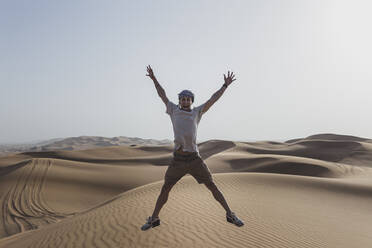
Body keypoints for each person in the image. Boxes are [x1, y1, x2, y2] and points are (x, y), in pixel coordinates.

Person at [141, 65, 244, 231]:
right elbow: (162, 94)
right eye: (183, 98)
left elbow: (212, 99)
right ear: (179, 100)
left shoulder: (197, 112)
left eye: (188, 99)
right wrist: (154, 79)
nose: (185, 101)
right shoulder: (173, 110)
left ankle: (230, 214)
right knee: (165, 189)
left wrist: (224, 86)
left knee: (212, 186)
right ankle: (154, 219)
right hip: (178, 160)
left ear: (192, 101)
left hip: (194, 159)